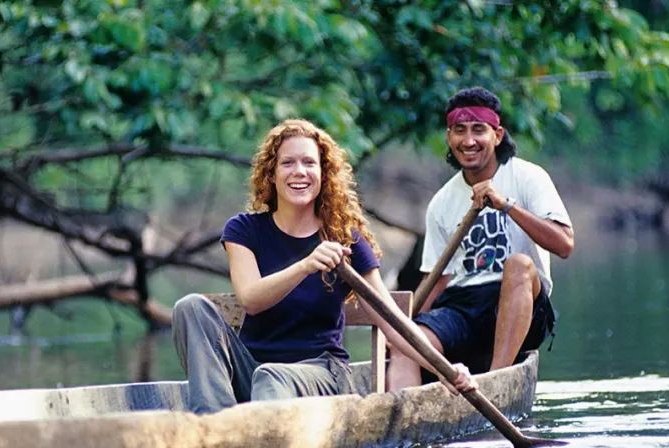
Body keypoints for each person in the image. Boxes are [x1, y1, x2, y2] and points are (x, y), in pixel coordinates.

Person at [173, 119, 476, 414]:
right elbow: (251, 299)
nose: (299, 172)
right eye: (288, 163)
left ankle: (251, 436)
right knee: (191, 307)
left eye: (309, 163)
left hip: (321, 373)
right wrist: (305, 265)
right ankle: (215, 425)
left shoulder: (346, 238)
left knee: (271, 377)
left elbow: (391, 321)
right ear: (272, 174)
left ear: (324, 173)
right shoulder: (243, 230)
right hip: (253, 370)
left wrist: (444, 368)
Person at [389, 87, 574, 388]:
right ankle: (409, 413)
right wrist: (407, 332)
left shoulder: (527, 177)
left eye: (479, 130)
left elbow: (565, 245)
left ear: (497, 135)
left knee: (518, 264)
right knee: (404, 342)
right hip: (463, 305)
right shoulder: (441, 201)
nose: (469, 140)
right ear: (449, 138)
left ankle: (493, 383)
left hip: (520, 300)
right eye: (459, 130)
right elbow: (438, 280)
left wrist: (507, 205)